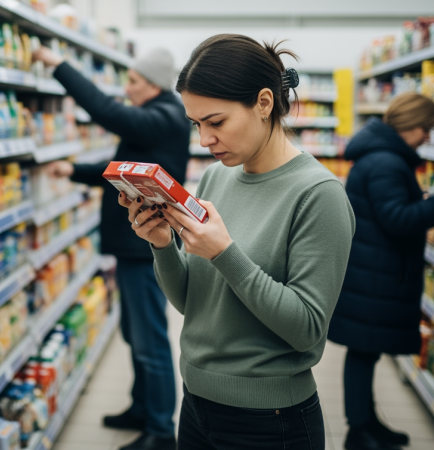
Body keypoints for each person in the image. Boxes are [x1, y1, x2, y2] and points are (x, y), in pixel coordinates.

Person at [121, 34, 355, 450]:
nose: (204, 140)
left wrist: (224, 253)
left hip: (271, 423)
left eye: (216, 122)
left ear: (264, 103)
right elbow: (194, 305)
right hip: (195, 405)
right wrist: (161, 245)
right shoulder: (216, 178)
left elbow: (306, 329)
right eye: (196, 124)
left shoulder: (318, 195)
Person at [32, 46, 190, 450]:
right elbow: (122, 169)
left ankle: (158, 431)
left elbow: (107, 112)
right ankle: (141, 408)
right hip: (134, 245)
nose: (127, 87)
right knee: (135, 335)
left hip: (146, 248)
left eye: (133, 81)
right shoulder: (156, 120)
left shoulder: (164, 116)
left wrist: (59, 66)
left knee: (150, 340)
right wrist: (75, 171)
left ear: (152, 85)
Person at [327, 93, 434, 450]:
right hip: (375, 275)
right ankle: (359, 430)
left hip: (372, 272)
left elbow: (387, 210)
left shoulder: (379, 156)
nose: (428, 136)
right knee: (363, 352)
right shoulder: (386, 162)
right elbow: (398, 219)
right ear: (410, 124)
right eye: (426, 128)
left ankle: (368, 422)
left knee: (366, 352)